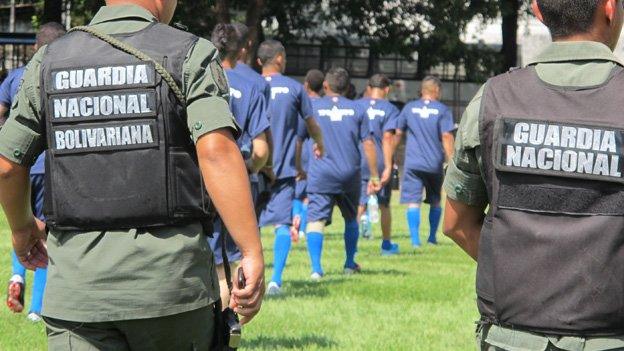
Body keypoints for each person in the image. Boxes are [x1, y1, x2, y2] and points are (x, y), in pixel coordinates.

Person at [0, 1, 265, 349]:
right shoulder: (189, 53)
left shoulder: (48, 60)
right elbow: (216, 151)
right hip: (172, 289)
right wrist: (251, 250)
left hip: (79, 296)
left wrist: (22, 229)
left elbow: (7, 165)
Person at [443, 1, 624, 350]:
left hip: (511, 340)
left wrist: (528, 276)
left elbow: (455, 222)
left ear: (538, 11)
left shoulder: (492, 99)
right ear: (610, 7)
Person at [1, 22, 66, 323]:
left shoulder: (15, 76)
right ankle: (37, 309)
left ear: (34, 47)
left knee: (23, 223)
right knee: (45, 232)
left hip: (20, 164)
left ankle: (17, 275)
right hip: (52, 167)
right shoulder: (63, 76)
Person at [209, 23, 271, 310]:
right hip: (232, 180)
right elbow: (261, 150)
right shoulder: (253, 86)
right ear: (242, 50)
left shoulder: (196, 77)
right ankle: (220, 334)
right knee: (225, 265)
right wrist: (251, 168)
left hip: (193, 178)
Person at [257, 39, 324, 296]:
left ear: (258, 61)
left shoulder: (251, 84)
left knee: (248, 226)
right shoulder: (296, 89)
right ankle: (274, 281)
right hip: (284, 170)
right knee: (282, 225)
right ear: (281, 59)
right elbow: (311, 124)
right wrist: (320, 145)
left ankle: (244, 278)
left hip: (253, 167)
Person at [306, 67, 380, 279]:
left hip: (321, 173)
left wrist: (299, 168)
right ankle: (349, 263)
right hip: (350, 174)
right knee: (350, 219)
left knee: (316, 220)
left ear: (326, 86)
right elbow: (368, 144)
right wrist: (374, 175)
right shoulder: (357, 109)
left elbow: (300, 139)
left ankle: (316, 269)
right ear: (348, 88)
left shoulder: (313, 106)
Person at [397, 76, 454, 248]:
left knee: (413, 201)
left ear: (422, 90)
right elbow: (446, 135)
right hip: (433, 163)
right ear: (437, 90)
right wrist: (451, 160)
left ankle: (415, 241)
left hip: (413, 163)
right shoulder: (442, 110)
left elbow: (398, 132)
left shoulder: (409, 108)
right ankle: (431, 238)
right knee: (435, 200)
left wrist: (392, 153)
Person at [356, 74, 401, 256]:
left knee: (359, 204)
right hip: (380, 161)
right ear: (387, 89)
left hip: (359, 159)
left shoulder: (357, 105)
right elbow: (388, 137)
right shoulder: (390, 109)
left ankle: (353, 246)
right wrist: (389, 165)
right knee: (384, 204)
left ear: (368, 87)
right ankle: (386, 245)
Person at [293, 69, 325, 239]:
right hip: (318, 152)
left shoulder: (302, 103)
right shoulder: (324, 104)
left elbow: (299, 134)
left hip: (303, 150)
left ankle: (295, 223)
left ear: (306, 85)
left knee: (298, 191)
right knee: (310, 194)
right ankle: (304, 227)